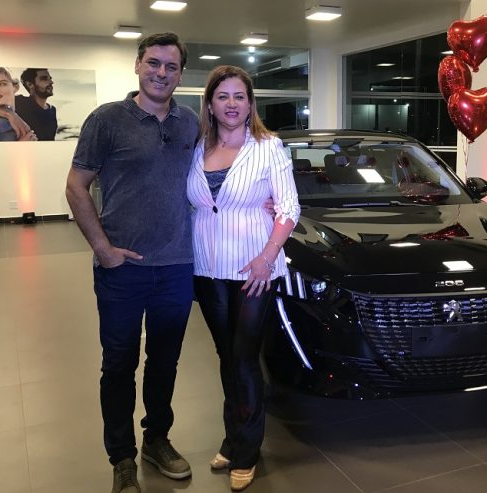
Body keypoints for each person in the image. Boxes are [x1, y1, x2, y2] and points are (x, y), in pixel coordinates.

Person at [65, 32, 198, 493]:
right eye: (154, 63)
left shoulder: (190, 122)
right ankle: (121, 457)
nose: (162, 73)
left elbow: (215, 175)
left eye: (171, 66)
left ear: (180, 73)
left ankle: (156, 440)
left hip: (177, 266)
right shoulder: (107, 119)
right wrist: (102, 249)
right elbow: (76, 186)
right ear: (138, 65)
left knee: (165, 361)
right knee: (119, 364)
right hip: (122, 270)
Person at [186, 65, 300, 491]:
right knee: (226, 356)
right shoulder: (197, 148)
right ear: (210, 104)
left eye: (239, 96)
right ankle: (233, 439)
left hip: (255, 269)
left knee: (244, 357)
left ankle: (247, 451)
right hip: (208, 268)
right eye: (223, 96)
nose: (231, 104)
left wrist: (267, 258)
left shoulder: (269, 147)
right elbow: (194, 204)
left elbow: (289, 208)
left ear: (251, 104)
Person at [0, 68, 58, 140]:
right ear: (30, 84)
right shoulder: (20, 102)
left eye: (50, 78)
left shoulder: (52, 109)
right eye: (44, 78)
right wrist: (10, 114)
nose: (51, 82)